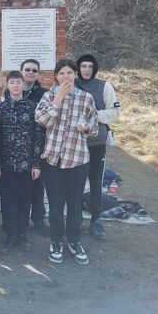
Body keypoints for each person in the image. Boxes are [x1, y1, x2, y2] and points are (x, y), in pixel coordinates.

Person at [35, 59, 99, 265]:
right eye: (61, 73)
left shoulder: (86, 98)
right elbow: (42, 121)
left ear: (75, 75)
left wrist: (86, 128)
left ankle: (74, 240)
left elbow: (95, 127)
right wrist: (58, 99)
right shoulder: (48, 96)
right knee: (55, 205)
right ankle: (56, 241)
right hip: (52, 160)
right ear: (56, 76)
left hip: (77, 160)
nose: (65, 77)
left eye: (69, 73)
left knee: (74, 205)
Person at [0, 71, 42, 255]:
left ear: (23, 84)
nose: (15, 85)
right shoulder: (0, 108)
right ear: (7, 85)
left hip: (26, 165)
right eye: (12, 82)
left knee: (25, 201)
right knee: (7, 201)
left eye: (18, 82)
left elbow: (38, 137)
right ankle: (10, 235)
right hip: (6, 165)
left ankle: (22, 234)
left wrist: (36, 164)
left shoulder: (32, 108)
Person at [76, 54, 121, 240]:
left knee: (95, 183)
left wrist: (94, 116)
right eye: (83, 66)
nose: (87, 70)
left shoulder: (104, 86)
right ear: (78, 68)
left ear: (94, 68)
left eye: (90, 66)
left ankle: (95, 221)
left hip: (96, 143)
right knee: (75, 184)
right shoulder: (72, 84)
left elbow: (115, 112)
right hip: (74, 144)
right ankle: (76, 219)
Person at [20, 59, 48, 235]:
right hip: (16, 144)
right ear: (21, 71)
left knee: (37, 183)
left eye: (34, 70)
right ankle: (16, 219)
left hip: (36, 142)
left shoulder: (44, 94)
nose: (30, 72)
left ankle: (38, 219)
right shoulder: (11, 90)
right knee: (18, 184)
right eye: (27, 69)